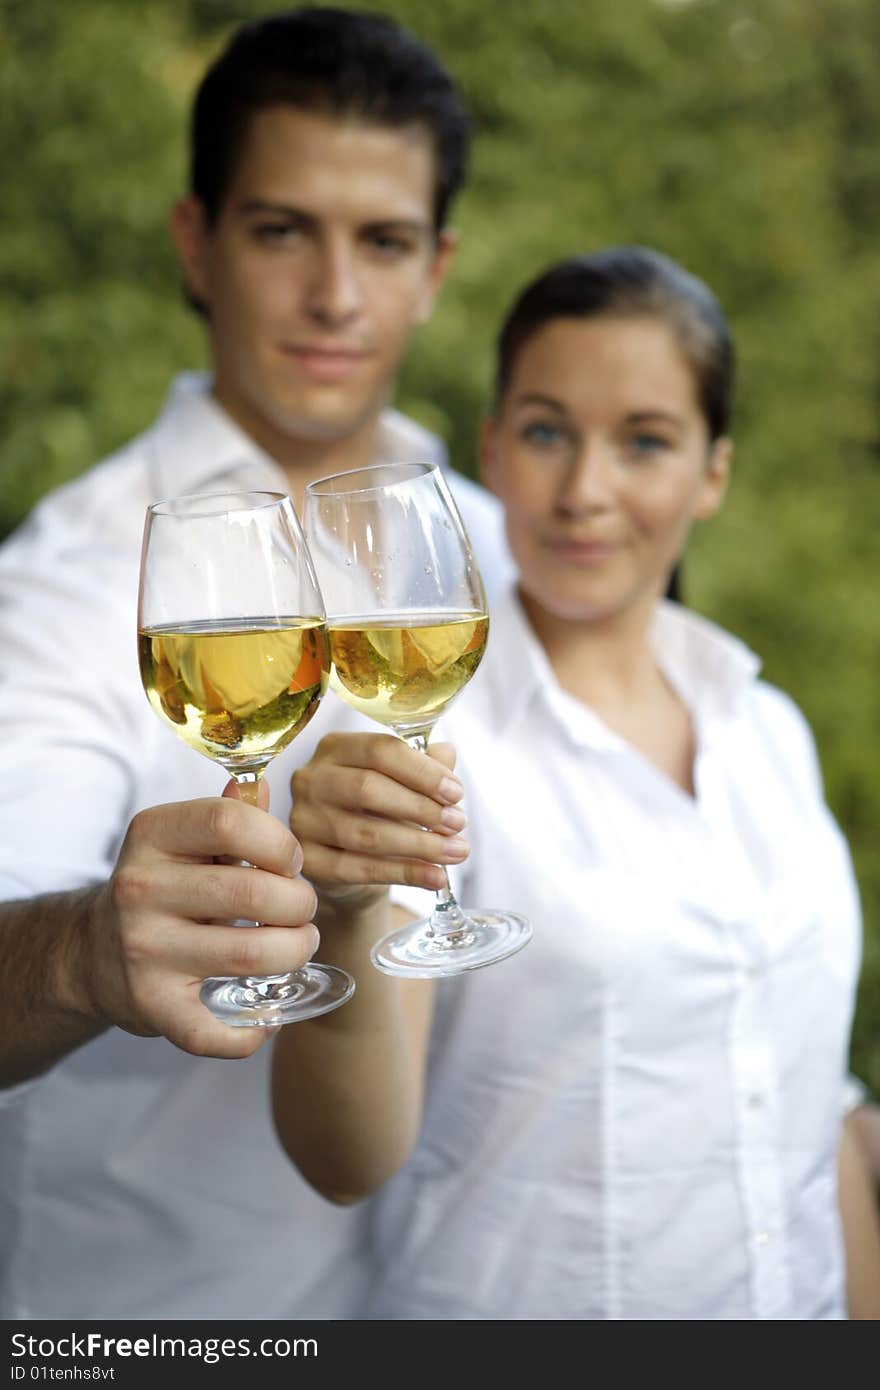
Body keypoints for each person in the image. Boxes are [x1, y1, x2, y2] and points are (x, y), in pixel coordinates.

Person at [0, 7, 512, 1320]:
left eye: (383, 240)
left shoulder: (491, 552)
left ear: (437, 267)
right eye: (284, 230)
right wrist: (80, 956)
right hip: (156, 1319)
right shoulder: (71, 581)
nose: (336, 294)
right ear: (197, 244)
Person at [275, 246, 880, 1318]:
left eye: (643, 442)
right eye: (548, 432)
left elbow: (801, 1100)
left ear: (712, 474)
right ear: (493, 451)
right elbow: (346, 1154)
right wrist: (341, 909)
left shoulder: (765, 728)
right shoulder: (425, 739)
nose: (584, 491)